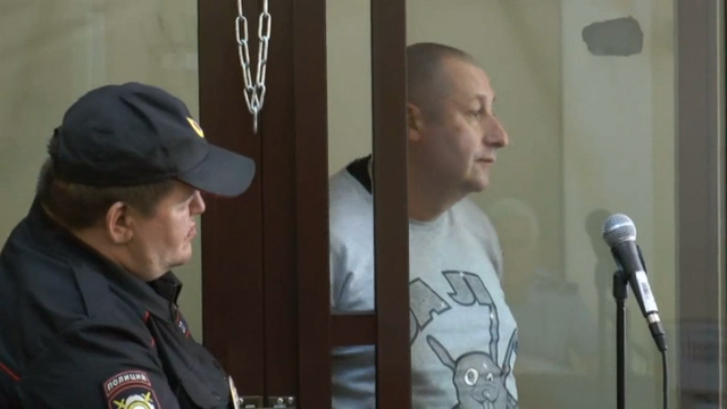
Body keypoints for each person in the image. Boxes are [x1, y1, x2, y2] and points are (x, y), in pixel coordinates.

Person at [0, 82, 255, 408]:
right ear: (120, 222)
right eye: (184, 202)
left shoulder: (73, 245)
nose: (200, 207)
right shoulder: (89, 343)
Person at [329, 43, 518, 408]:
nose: (500, 136)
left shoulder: (477, 228)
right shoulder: (332, 233)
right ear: (412, 122)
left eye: (492, 110)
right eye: (476, 112)